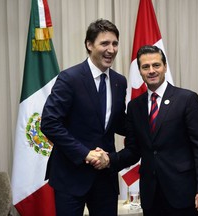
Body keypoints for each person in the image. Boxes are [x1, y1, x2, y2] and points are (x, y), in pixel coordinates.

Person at [102, 45, 198, 216]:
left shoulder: (186, 99)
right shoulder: (134, 106)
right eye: (145, 67)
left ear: (165, 67)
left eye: (156, 65)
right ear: (140, 71)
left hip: (182, 193)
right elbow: (134, 150)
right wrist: (108, 160)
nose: (151, 71)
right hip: (151, 195)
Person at [41, 19, 127, 216]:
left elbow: (117, 122)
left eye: (115, 44)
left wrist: (150, 122)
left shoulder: (119, 82)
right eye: (104, 43)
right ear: (89, 45)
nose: (111, 49)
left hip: (105, 177)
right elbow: (49, 122)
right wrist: (85, 153)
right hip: (71, 175)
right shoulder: (69, 78)